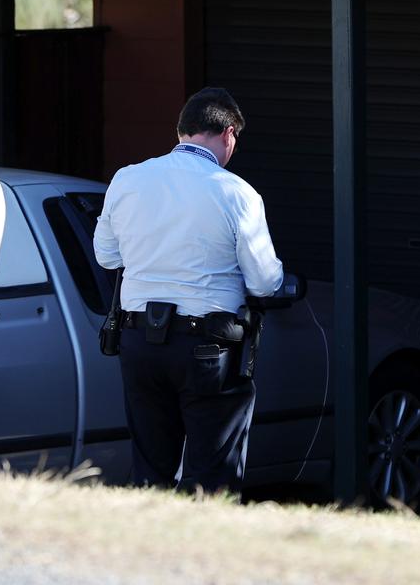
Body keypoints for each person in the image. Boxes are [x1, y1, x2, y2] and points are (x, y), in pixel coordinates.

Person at [93, 87, 284, 494]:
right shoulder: (236, 192)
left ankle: (151, 550)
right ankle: (204, 551)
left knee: (150, 469)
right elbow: (266, 281)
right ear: (228, 134)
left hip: (138, 343)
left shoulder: (127, 179)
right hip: (207, 348)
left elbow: (107, 257)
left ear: (180, 131)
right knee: (213, 474)